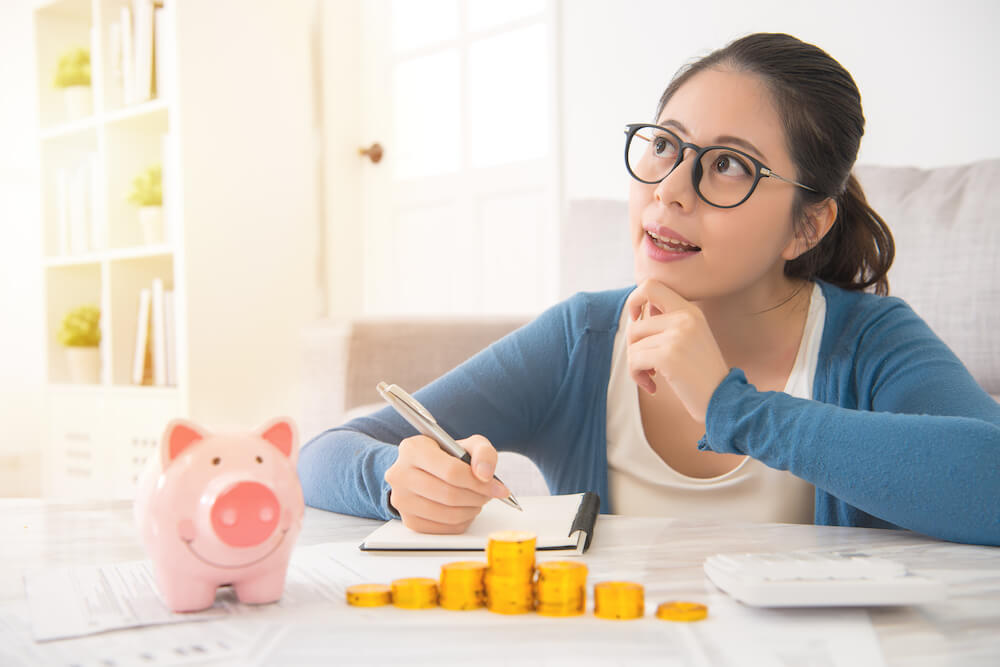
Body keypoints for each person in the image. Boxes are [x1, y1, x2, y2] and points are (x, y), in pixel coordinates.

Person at [298, 33, 1000, 546]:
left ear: (807, 225)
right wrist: (394, 477)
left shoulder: (869, 341)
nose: (668, 190)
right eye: (665, 144)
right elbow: (324, 452)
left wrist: (737, 407)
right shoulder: (583, 340)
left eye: (728, 165)